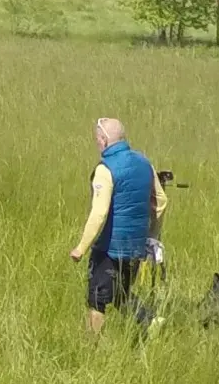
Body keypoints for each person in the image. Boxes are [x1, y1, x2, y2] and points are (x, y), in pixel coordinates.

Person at [69, 117, 168, 338]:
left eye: (97, 139)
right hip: (136, 246)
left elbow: (99, 213)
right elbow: (160, 202)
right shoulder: (145, 163)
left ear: (104, 139)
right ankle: (150, 320)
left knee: (97, 299)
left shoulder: (106, 169)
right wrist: (152, 235)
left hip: (110, 248)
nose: (97, 144)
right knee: (121, 294)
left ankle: (91, 350)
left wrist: (81, 248)